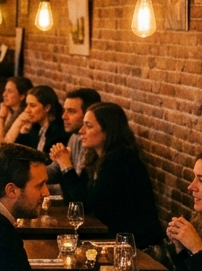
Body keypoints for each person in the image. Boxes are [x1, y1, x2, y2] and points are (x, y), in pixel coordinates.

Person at [50, 102, 164, 246]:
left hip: (131, 243)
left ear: (107, 131)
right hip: (109, 236)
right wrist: (63, 166)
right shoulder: (94, 157)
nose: (81, 130)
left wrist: (67, 166)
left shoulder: (120, 159)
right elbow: (74, 203)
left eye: (89, 126)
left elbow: (86, 205)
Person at [50, 87, 101, 180]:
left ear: (88, 114)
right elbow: (54, 170)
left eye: (71, 111)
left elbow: (79, 187)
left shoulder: (94, 144)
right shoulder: (74, 136)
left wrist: (65, 164)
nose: (64, 116)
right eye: (64, 110)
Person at [7, 85, 70, 153]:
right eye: (27, 105)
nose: (26, 110)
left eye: (32, 105)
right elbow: (10, 149)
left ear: (47, 108)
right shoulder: (35, 127)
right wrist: (20, 125)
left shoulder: (58, 133)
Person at [0, 76, 32, 144]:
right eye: (5, 90)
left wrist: (0, 117)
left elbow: (3, 143)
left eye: (10, 91)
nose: (4, 94)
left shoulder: (26, 115)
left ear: (22, 96)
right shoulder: (9, 111)